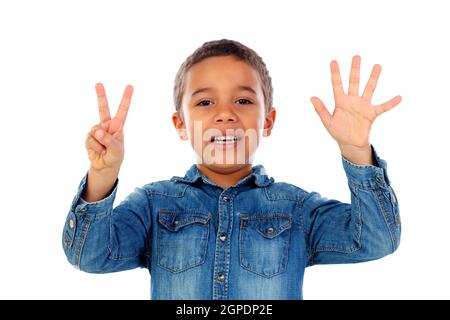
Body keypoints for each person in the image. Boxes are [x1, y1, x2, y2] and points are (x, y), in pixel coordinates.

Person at [62, 39, 401, 299]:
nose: (225, 114)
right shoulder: (154, 203)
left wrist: (356, 151)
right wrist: (102, 176)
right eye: (205, 102)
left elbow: (376, 240)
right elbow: (90, 256)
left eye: (243, 100)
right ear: (180, 124)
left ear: (267, 121)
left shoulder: (297, 209)